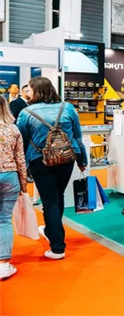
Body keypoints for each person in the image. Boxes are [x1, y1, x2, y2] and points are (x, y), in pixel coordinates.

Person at [17, 77, 88, 260]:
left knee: (50, 201)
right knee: (58, 196)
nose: (27, 92)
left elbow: (21, 141)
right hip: (67, 158)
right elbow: (77, 137)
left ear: (37, 91)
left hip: (40, 160)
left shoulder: (27, 113)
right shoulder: (68, 108)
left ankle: (57, 247)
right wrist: (82, 160)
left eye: (29, 89)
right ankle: (51, 231)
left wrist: (21, 166)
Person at [0, 96, 28, 279]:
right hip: (10, 176)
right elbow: (20, 159)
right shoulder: (13, 129)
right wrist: (23, 185)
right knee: (4, 220)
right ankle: (3, 265)